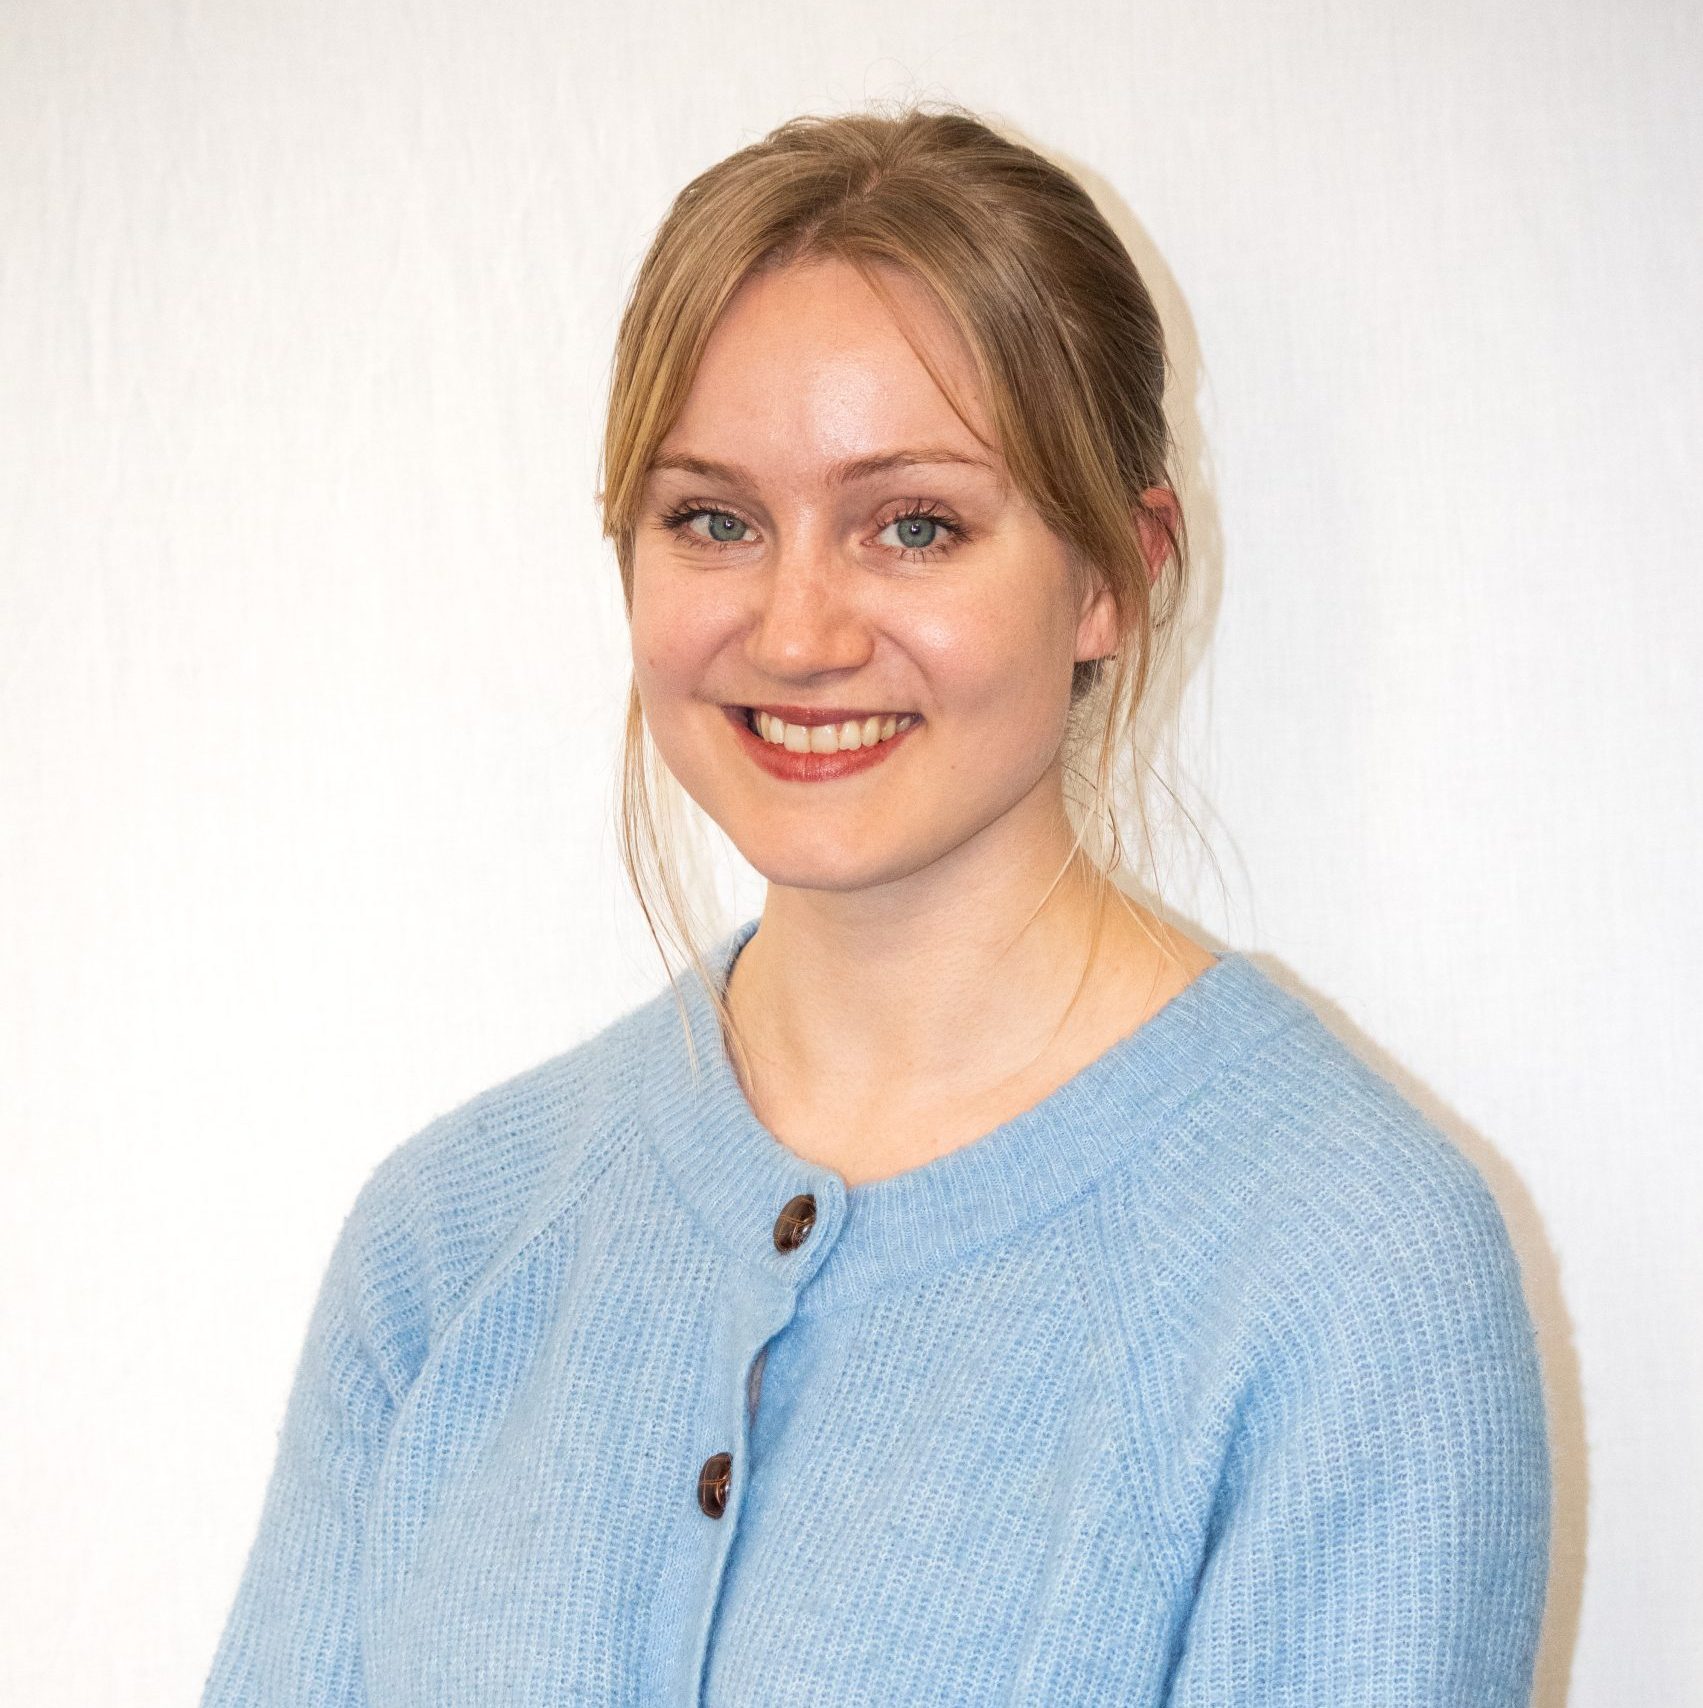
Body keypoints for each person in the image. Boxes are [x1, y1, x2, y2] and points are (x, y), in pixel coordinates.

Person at [200, 104, 1552, 1706]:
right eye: (716, 519)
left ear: (1117, 571)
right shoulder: (447, 1244)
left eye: (914, 524)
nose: (796, 630)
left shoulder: (1348, 1269)